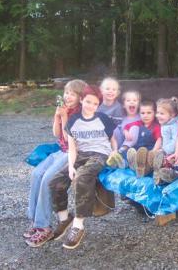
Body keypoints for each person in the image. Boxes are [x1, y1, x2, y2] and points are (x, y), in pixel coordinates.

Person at [49, 85, 117, 250]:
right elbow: (72, 148)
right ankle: (64, 218)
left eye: (95, 103)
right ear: (82, 100)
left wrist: (114, 151)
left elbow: (113, 138)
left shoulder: (103, 118)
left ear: (98, 105)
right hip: (81, 154)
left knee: (82, 177)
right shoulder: (73, 121)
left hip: (99, 154)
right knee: (55, 181)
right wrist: (71, 166)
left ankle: (78, 225)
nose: (91, 106)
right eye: (88, 102)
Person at [24, 79, 87, 247]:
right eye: (66, 93)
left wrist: (65, 116)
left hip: (71, 153)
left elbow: (69, 138)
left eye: (72, 94)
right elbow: (57, 134)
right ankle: (35, 221)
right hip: (59, 151)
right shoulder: (64, 109)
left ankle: (43, 226)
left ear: (80, 97)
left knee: (48, 179)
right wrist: (57, 116)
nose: (68, 96)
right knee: (37, 173)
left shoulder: (80, 114)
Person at [114, 100, 163, 177]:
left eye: (149, 113)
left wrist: (154, 150)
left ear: (154, 113)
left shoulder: (156, 127)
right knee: (127, 152)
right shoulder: (138, 123)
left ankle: (141, 167)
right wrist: (126, 132)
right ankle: (126, 163)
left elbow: (159, 139)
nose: (145, 116)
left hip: (148, 150)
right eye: (142, 113)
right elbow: (126, 127)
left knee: (148, 157)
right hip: (136, 148)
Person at [105, 90, 141, 168]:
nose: (132, 102)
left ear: (138, 104)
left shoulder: (141, 116)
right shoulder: (122, 117)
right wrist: (124, 131)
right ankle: (115, 153)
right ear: (124, 105)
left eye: (135, 100)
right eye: (128, 100)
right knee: (114, 128)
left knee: (134, 128)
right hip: (120, 144)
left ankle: (120, 154)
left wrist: (126, 130)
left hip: (133, 147)